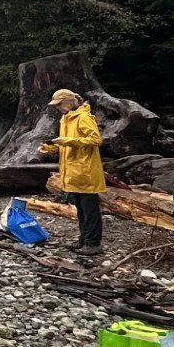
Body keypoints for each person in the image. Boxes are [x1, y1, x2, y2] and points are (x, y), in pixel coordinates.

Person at [40, 88, 104, 256]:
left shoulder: (84, 117)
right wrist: (50, 147)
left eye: (60, 104)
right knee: (81, 210)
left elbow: (95, 140)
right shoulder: (65, 119)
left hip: (86, 171)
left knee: (90, 210)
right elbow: (67, 144)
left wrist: (68, 141)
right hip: (73, 172)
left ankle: (93, 243)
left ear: (69, 101)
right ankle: (84, 239)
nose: (58, 107)